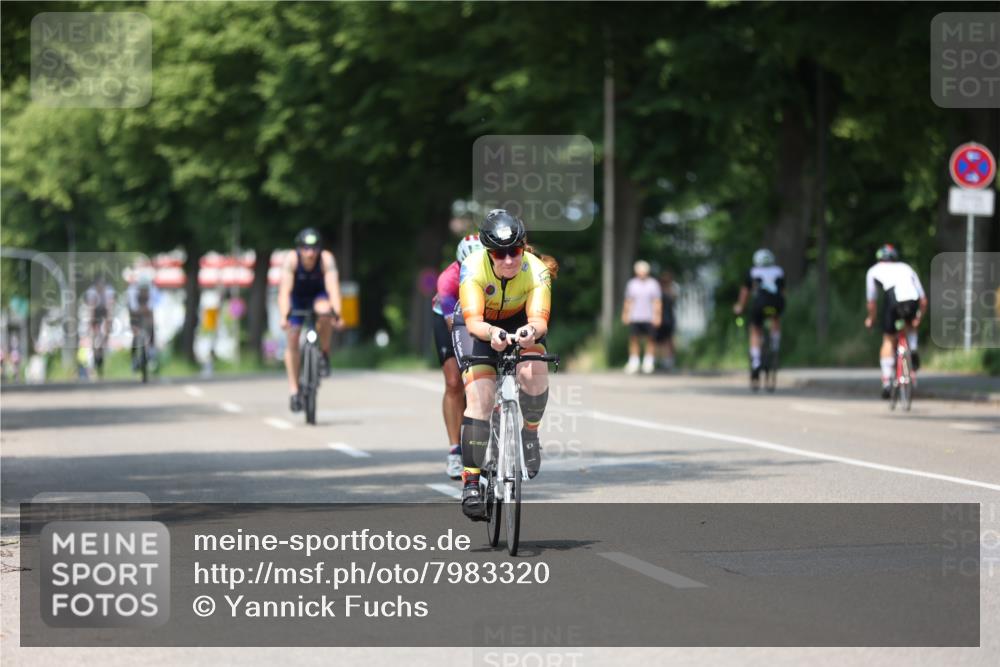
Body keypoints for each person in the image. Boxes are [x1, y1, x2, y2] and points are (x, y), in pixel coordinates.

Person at [451, 209, 555, 521]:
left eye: (515, 251)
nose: (509, 260)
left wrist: (530, 332)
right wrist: (493, 333)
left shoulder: (537, 271)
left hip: (521, 322)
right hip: (479, 328)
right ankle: (471, 481)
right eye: (500, 253)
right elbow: (473, 322)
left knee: (534, 372)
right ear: (487, 251)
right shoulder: (472, 268)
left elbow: (539, 320)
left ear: (524, 248)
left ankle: (530, 433)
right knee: (480, 398)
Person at [432, 234, 484, 480]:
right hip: (451, 321)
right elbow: (454, 325)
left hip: (481, 320)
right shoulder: (448, 279)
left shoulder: (492, 269)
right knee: (454, 382)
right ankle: (455, 450)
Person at [278, 228, 343, 413]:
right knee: (292, 337)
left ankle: (323, 352)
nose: (310, 253)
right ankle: (294, 389)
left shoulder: (326, 259)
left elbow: (333, 288)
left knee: (325, 312)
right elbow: (284, 292)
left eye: (314, 248)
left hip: (318, 296)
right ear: (299, 248)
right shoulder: (291, 260)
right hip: (297, 298)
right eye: (306, 248)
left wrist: (337, 313)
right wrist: (284, 316)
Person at [864, 244, 927, 399]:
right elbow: (924, 300)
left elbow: (872, 301)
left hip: (893, 299)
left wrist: (871, 319)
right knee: (911, 326)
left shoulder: (873, 270)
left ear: (880, 258)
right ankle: (912, 348)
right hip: (912, 300)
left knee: (888, 339)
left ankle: (886, 381)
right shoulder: (906, 267)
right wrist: (919, 317)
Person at [733, 248, 785, 390]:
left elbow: (745, 293)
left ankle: (756, 361)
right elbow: (783, 291)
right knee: (776, 318)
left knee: (755, 328)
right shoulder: (779, 271)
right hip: (777, 303)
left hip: (760, 304)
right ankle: (775, 343)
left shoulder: (753, 272)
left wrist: (740, 307)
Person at [622, 260, 662, 374]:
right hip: (635, 316)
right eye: (640, 271)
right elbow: (628, 300)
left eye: (644, 271)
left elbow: (657, 301)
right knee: (634, 339)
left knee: (651, 340)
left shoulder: (653, 284)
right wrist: (625, 314)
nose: (642, 273)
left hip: (649, 317)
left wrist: (657, 316)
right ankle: (634, 361)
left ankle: (648, 362)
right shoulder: (632, 284)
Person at [126, 273, 159, 372]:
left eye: (146, 290)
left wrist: (149, 318)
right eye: (142, 289)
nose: (144, 292)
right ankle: (134, 358)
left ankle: (152, 350)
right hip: (135, 314)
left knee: (151, 324)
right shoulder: (131, 291)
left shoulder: (153, 291)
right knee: (135, 332)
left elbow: (151, 309)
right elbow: (133, 309)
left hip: (146, 314)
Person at [83, 276, 115, 376]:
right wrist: (90, 325)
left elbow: (109, 309)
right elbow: (91, 310)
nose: (100, 288)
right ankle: (94, 349)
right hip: (95, 311)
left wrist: (109, 324)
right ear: (96, 286)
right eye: (99, 286)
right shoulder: (91, 292)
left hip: (104, 311)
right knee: (94, 335)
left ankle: (104, 344)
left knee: (106, 330)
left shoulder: (109, 291)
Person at [655, 270, 678, 371]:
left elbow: (674, 298)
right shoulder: (657, 290)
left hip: (669, 318)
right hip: (659, 317)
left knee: (669, 340)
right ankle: (660, 360)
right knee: (659, 340)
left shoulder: (673, 288)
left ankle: (669, 361)